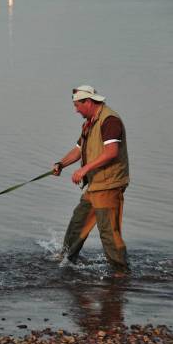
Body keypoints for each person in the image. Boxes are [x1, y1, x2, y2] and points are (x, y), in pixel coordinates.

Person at [53, 85, 130, 274]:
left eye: (77, 105)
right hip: (96, 185)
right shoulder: (90, 122)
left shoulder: (110, 121)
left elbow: (112, 152)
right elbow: (79, 150)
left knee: (108, 232)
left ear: (88, 102)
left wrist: (84, 170)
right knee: (78, 222)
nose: (75, 110)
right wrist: (61, 164)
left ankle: (121, 273)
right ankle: (65, 259)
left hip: (109, 185)